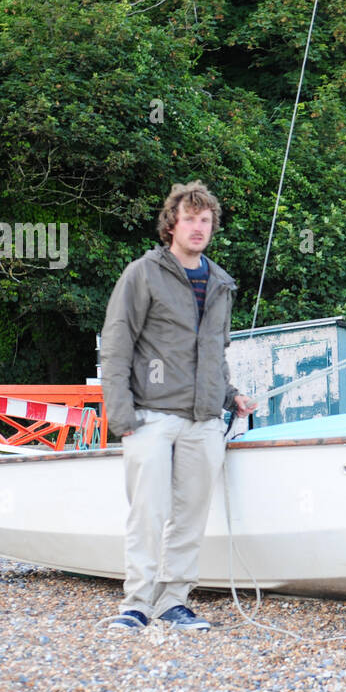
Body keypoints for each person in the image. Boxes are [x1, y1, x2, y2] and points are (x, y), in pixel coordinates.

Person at [100, 181, 256, 631]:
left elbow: (214, 354)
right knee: (148, 512)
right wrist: (121, 415)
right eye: (190, 218)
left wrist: (231, 397)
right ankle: (136, 604)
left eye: (205, 220)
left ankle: (174, 601)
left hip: (204, 420)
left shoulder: (221, 282)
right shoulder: (142, 274)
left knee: (191, 515)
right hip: (149, 415)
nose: (198, 227)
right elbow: (116, 346)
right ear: (172, 223)